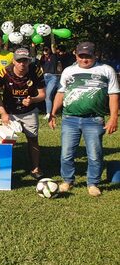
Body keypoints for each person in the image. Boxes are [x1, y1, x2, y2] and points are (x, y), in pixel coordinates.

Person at [49, 41, 119, 197]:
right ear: (76, 54)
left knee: (95, 154)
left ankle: (93, 183)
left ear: (95, 55)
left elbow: (114, 95)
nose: (84, 60)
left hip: (94, 120)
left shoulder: (106, 70)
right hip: (69, 119)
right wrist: (53, 112)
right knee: (66, 153)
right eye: (81, 56)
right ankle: (67, 181)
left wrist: (114, 117)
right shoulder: (68, 71)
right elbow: (61, 93)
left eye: (88, 56)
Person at [0, 47, 46, 179]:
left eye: (25, 61)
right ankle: (5, 169)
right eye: (19, 61)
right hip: (10, 111)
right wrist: (3, 113)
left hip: (29, 111)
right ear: (13, 61)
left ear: (29, 61)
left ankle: (35, 168)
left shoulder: (36, 71)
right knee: (5, 140)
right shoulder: (4, 72)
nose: (22, 64)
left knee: (33, 139)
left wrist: (33, 100)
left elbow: (43, 95)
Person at [39, 45, 59, 119]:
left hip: (52, 77)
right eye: (44, 49)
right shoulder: (42, 58)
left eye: (47, 49)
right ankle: (48, 111)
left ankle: (49, 113)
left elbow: (53, 46)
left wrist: (52, 35)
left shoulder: (53, 56)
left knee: (48, 95)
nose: (45, 51)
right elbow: (40, 65)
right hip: (44, 77)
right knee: (45, 95)